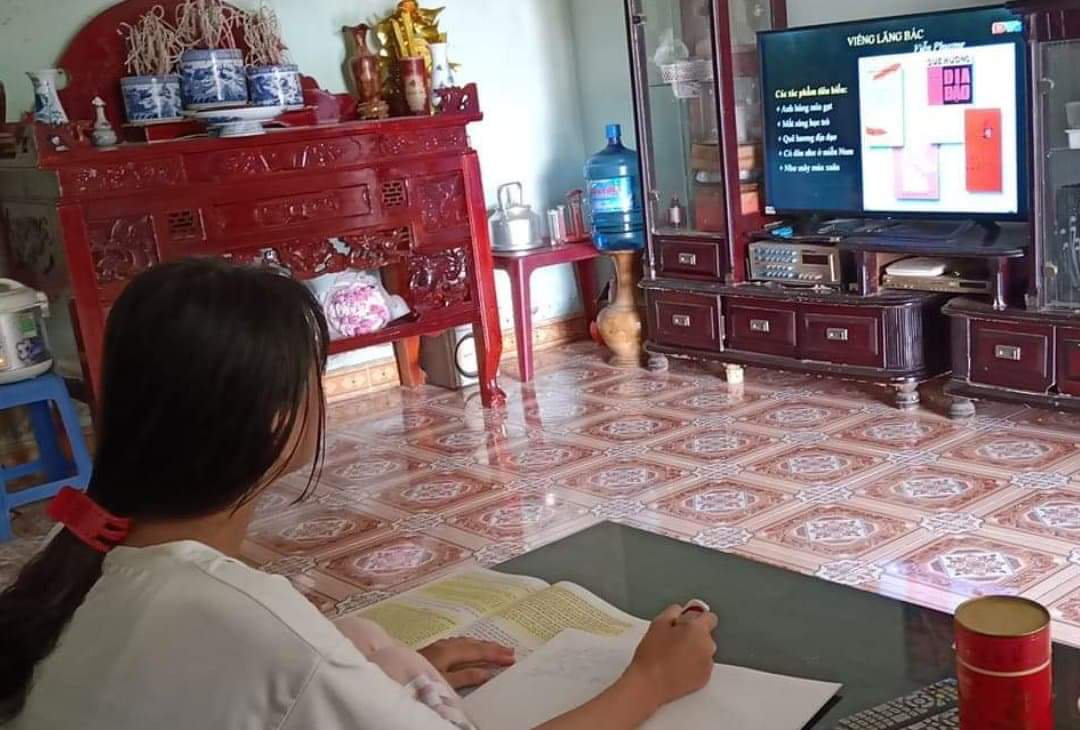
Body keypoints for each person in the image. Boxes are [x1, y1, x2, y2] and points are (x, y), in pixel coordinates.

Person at [0, 259, 718, 729]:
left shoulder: (92, 563)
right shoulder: (243, 618)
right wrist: (649, 682)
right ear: (278, 416)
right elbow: (277, 664)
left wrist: (371, 689)